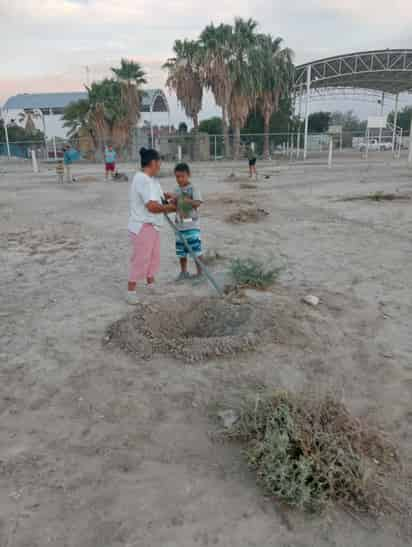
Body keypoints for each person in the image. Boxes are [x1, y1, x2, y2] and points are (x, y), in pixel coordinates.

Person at [127, 147, 176, 305]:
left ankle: (150, 283)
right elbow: (152, 206)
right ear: (153, 163)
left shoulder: (153, 180)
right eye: (159, 163)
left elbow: (160, 201)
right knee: (141, 258)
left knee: (154, 257)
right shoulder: (142, 179)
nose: (160, 166)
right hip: (142, 226)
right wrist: (171, 208)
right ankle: (131, 290)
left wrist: (172, 200)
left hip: (153, 226)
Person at [172, 163, 203, 281]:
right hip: (179, 226)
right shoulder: (176, 190)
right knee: (181, 251)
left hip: (191, 226)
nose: (179, 179)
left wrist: (186, 200)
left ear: (188, 175)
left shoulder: (193, 188)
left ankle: (200, 273)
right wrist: (171, 201)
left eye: (182, 176)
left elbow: (198, 203)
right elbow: (174, 205)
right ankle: (184, 272)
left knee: (196, 250)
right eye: (177, 177)